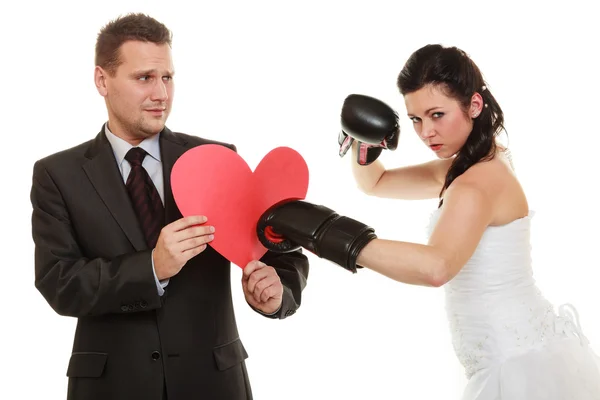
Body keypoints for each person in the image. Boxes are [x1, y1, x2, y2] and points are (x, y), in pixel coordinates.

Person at [257, 44, 600, 399]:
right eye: (415, 119)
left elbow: (436, 267)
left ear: (474, 105)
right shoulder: (472, 163)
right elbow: (376, 183)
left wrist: (326, 232)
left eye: (437, 114)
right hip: (517, 353)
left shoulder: (476, 184)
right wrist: (365, 148)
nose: (425, 133)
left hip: (516, 367)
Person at [30, 13, 309, 400]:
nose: (161, 93)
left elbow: (280, 249)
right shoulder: (57, 174)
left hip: (213, 384)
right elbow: (58, 282)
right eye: (144, 78)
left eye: (168, 77)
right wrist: (151, 268)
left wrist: (280, 292)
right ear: (102, 81)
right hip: (112, 387)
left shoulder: (215, 159)